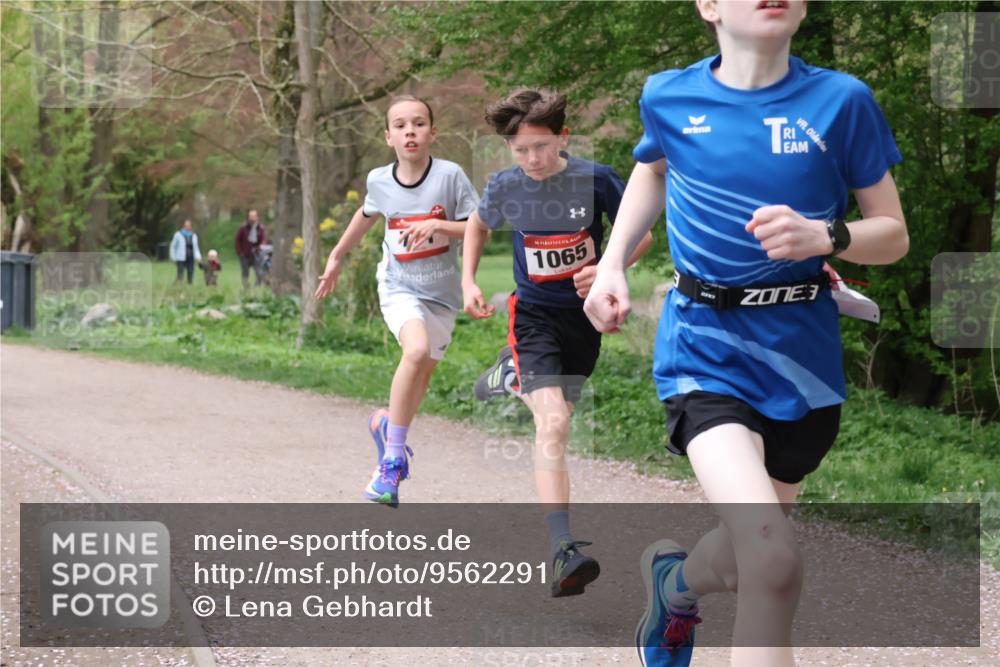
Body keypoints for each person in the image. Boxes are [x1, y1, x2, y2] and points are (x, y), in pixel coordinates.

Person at [582, 2, 908, 665]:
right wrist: (613, 262)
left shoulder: (842, 101)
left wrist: (827, 235)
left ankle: (675, 585)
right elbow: (654, 166)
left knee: (746, 555)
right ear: (708, 5)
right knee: (773, 560)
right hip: (705, 351)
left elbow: (894, 234)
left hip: (804, 362)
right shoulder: (668, 96)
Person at [462, 88, 652, 598]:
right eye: (520, 150)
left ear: (563, 137)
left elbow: (643, 235)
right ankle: (562, 548)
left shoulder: (597, 180)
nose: (532, 159)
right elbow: (477, 225)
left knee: (557, 421)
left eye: (541, 147)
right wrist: (468, 280)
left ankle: (510, 374)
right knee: (555, 424)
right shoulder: (506, 186)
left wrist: (607, 268)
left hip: (584, 322)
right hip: (534, 318)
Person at [314, 95, 480, 507]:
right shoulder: (379, 180)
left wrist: (439, 225)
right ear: (389, 137)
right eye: (401, 125)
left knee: (421, 376)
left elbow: (480, 227)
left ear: (432, 132)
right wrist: (336, 256)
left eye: (419, 124)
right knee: (416, 350)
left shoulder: (450, 176)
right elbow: (366, 214)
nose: (410, 132)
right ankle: (391, 461)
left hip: (441, 294)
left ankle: (388, 426)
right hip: (398, 286)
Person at [235, 209, 267, 288]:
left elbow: (263, 239)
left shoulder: (260, 228)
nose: (252, 218)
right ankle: (246, 287)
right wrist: (240, 252)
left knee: (259, 271)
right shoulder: (243, 228)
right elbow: (238, 240)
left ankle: (257, 287)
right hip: (245, 254)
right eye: (250, 216)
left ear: (257, 217)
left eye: (254, 216)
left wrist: (261, 247)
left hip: (256, 254)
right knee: (245, 272)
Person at [169, 219, 201, 285]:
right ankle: (177, 285)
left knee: (191, 272)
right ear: (184, 226)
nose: (187, 227)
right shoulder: (178, 234)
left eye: (189, 225)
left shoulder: (194, 235)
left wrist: (198, 256)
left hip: (191, 257)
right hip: (180, 257)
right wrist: (173, 257)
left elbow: (196, 247)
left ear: (191, 226)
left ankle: (190, 284)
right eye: (186, 225)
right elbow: (173, 246)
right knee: (180, 273)